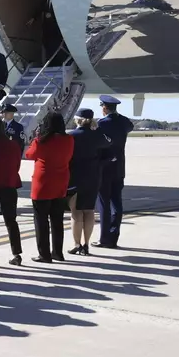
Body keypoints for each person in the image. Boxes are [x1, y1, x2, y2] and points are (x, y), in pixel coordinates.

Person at [25, 111, 74, 263]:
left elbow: (29, 155)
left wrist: (36, 138)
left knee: (41, 220)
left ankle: (44, 254)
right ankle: (57, 252)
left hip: (43, 183)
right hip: (60, 182)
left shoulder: (40, 141)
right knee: (57, 220)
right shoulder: (69, 140)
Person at [66, 108, 112, 256]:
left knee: (76, 212)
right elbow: (108, 144)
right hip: (93, 177)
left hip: (75, 177)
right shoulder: (97, 136)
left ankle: (77, 244)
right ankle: (86, 245)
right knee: (89, 211)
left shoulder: (71, 136)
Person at [93, 95, 134, 249]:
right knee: (116, 202)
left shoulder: (102, 124)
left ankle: (104, 238)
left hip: (105, 167)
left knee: (104, 203)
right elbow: (130, 126)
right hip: (119, 167)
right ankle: (113, 236)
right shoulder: (124, 122)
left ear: (104, 107)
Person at [0, 117, 23, 267]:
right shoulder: (13, 145)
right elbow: (17, 164)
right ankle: (17, 253)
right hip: (9, 185)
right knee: (11, 221)